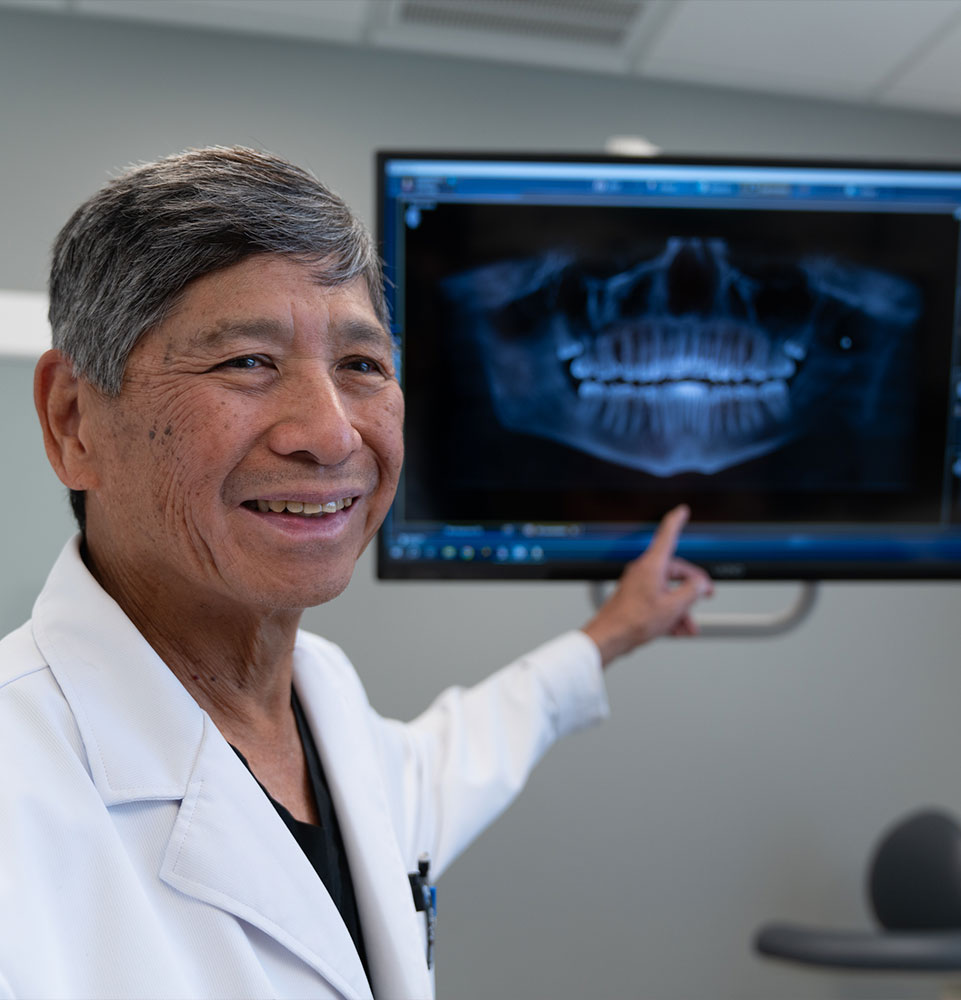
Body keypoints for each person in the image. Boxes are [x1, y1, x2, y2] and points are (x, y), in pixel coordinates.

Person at [0, 147, 713, 1000]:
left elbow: (458, 760)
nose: (332, 435)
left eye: (361, 366)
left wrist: (614, 630)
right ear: (72, 420)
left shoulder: (321, 702)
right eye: (247, 362)